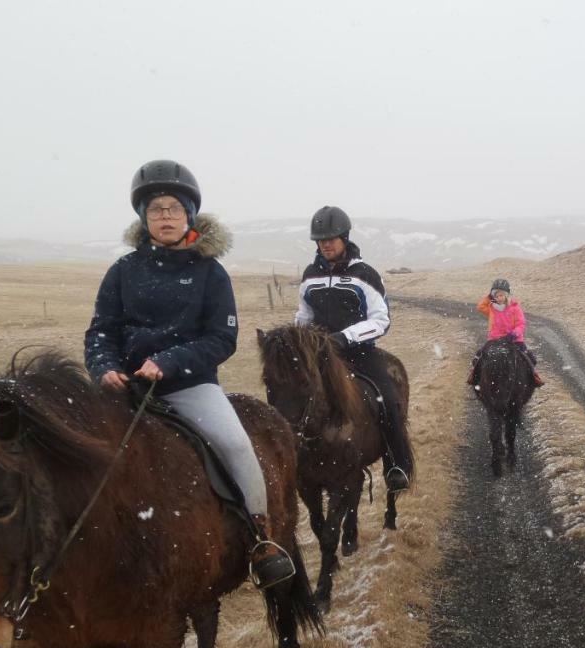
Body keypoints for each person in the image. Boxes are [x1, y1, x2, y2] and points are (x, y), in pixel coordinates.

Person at [84, 159, 293, 589]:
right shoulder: (122, 271)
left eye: (173, 209)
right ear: (144, 217)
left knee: (237, 446)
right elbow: (101, 331)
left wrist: (169, 361)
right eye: (156, 209)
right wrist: (104, 368)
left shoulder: (210, 274)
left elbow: (221, 339)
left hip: (190, 387)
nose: (165, 217)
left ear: (189, 216)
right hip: (125, 390)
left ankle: (262, 539)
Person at [295, 205, 413, 493]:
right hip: (321, 357)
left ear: (344, 238)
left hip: (360, 354)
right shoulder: (310, 275)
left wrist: (345, 337)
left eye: (331, 239)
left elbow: (381, 319)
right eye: (320, 240)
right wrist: (298, 336)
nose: (325, 245)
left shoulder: (365, 275)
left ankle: (398, 464)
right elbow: (304, 316)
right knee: (291, 396)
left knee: (388, 401)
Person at [467, 278, 544, 387]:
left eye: (501, 295)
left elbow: (521, 324)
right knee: (478, 357)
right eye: (496, 296)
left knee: (530, 358)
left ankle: (534, 376)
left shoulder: (515, 308)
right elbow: (480, 306)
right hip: (494, 340)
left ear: (507, 295)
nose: (499, 298)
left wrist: (514, 335)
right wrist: (489, 297)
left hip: (514, 340)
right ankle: (473, 375)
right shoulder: (491, 308)